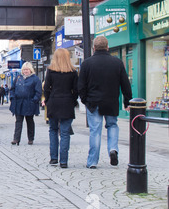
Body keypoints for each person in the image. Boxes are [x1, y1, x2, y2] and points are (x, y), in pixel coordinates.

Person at [78, 35, 132, 169]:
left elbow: (81, 86)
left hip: (93, 102)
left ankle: (92, 162)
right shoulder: (117, 62)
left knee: (95, 131)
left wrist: (85, 100)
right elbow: (125, 84)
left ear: (94, 48)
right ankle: (113, 149)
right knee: (112, 125)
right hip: (111, 101)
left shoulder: (87, 63)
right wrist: (127, 101)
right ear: (108, 47)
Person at [42, 48, 79, 168]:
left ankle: (53, 158)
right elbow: (76, 90)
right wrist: (73, 101)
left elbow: (46, 88)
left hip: (54, 102)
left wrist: (47, 100)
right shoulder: (73, 72)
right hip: (67, 102)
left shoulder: (51, 71)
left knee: (53, 130)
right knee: (64, 133)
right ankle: (64, 161)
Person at [9, 62, 42, 145]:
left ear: (30, 70)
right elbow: (12, 89)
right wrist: (12, 97)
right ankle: (16, 139)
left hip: (29, 103)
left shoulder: (35, 79)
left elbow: (38, 92)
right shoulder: (18, 78)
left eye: (27, 69)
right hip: (19, 103)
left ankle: (31, 138)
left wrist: (34, 100)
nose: (25, 71)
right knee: (18, 121)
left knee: (29, 121)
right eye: (24, 69)